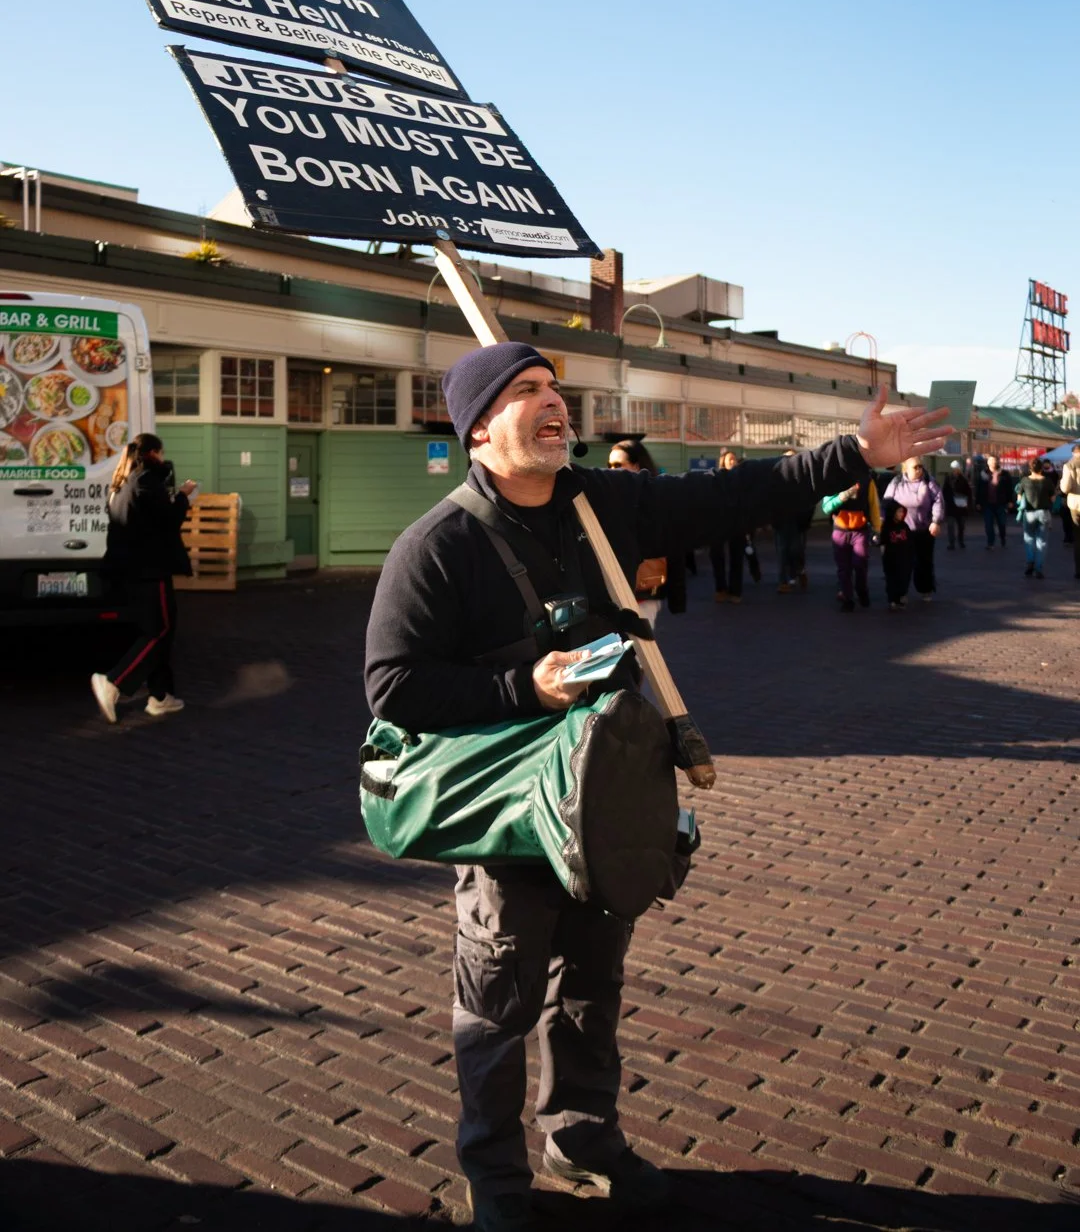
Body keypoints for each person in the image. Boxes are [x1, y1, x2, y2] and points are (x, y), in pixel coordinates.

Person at [363, 342, 949, 1232]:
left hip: (610, 798)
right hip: (507, 813)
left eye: (556, 390)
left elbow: (732, 495)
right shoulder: (436, 545)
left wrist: (855, 455)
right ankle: (495, 1177)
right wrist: (528, 688)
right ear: (480, 426)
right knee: (497, 1003)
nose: (555, 404)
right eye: (527, 392)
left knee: (593, 983)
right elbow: (393, 689)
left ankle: (582, 1140)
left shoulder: (606, 504)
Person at [90, 433, 196, 723]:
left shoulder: (121, 482)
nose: (163, 459)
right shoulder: (147, 481)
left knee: (156, 630)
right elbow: (169, 520)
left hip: (128, 571)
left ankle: (160, 696)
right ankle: (114, 682)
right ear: (153, 453)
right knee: (160, 630)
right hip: (150, 569)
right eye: (161, 453)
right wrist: (184, 495)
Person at [606, 439, 686, 626]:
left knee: (638, 653)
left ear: (636, 466)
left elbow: (674, 548)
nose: (611, 470)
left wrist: (677, 598)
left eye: (618, 465)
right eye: (609, 465)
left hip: (643, 595)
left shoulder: (656, 500)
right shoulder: (607, 498)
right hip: (611, 596)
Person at [884, 458, 945, 600]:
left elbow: (938, 501)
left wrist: (935, 521)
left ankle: (925, 589)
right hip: (902, 531)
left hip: (924, 529)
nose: (919, 470)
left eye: (921, 467)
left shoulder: (929, 482)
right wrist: (884, 523)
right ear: (905, 469)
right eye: (915, 467)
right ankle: (900, 592)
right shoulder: (896, 483)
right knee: (902, 563)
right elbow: (886, 503)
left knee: (924, 562)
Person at [821, 476, 880, 611]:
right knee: (844, 568)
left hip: (860, 530)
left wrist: (877, 529)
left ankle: (862, 590)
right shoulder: (834, 479)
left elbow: (874, 505)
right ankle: (848, 599)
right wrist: (843, 497)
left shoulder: (867, 480)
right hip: (840, 530)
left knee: (860, 563)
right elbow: (826, 507)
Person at [709, 449, 745, 604]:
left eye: (734, 459)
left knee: (737, 557)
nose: (733, 461)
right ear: (722, 461)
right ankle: (720, 588)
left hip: (738, 522)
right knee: (717, 556)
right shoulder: (716, 478)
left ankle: (735, 591)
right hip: (718, 522)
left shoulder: (742, 479)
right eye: (730, 459)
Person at [774, 450, 811, 593]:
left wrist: (805, 520)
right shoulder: (776, 478)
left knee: (796, 550)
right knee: (782, 551)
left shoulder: (803, 478)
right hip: (781, 521)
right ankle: (783, 581)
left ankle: (799, 570)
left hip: (798, 522)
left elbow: (810, 501)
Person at [1015, 458, 1053, 579]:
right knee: (1041, 542)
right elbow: (1052, 499)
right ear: (1042, 468)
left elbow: (1019, 499)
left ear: (1030, 468)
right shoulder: (1047, 481)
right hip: (1043, 513)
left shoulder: (1024, 481)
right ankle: (1039, 568)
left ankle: (1030, 561)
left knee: (1029, 539)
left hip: (1029, 514)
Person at [879, 496, 914, 609]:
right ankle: (892, 599)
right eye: (898, 511)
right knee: (892, 579)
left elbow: (910, 540)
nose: (901, 514)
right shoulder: (887, 527)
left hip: (904, 558)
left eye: (902, 512)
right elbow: (883, 540)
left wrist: (911, 554)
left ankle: (901, 596)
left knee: (903, 578)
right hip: (891, 558)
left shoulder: (904, 526)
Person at [976, 455, 1014, 549]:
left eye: (994, 461)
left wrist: (1010, 501)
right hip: (987, 503)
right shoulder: (983, 474)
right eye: (991, 461)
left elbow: (1009, 489)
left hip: (1000, 503)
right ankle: (990, 543)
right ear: (988, 463)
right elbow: (979, 489)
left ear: (997, 462)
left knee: (1002, 524)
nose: (993, 462)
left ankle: (1002, 537)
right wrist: (978, 502)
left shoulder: (1004, 474)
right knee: (989, 525)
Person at [942, 460, 973, 550]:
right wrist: (947, 500)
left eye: (957, 469)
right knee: (950, 525)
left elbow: (968, 492)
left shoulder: (963, 480)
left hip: (961, 506)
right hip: (951, 506)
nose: (955, 471)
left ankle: (961, 540)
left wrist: (967, 503)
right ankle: (952, 543)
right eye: (954, 469)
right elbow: (945, 491)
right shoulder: (947, 479)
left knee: (961, 526)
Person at [1061, 444, 1080, 578]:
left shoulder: (1069, 465)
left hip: (1075, 504)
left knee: (1078, 538)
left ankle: (1078, 570)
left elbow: (1065, 488)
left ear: (1074, 452)